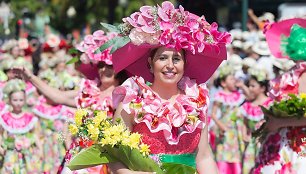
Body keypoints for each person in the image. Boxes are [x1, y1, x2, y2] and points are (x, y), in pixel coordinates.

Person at [99, 1, 231, 173]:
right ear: (150, 64)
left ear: (184, 64)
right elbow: (114, 156)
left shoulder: (196, 103)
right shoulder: (132, 102)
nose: (170, 65)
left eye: (176, 59)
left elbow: (204, 156)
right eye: (162, 58)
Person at [254, 18, 306, 173]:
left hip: (297, 145)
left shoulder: (302, 75)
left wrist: (278, 122)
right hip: (286, 142)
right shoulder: (295, 74)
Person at [0, 79, 42, 173]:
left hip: (27, 154)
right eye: (15, 100)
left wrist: (40, 149)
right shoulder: (4, 118)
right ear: (9, 100)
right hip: (10, 154)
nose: (18, 103)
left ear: (25, 100)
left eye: (21, 100)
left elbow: (35, 135)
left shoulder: (30, 118)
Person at [210, 63, 245, 174]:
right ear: (223, 83)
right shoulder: (219, 96)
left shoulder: (238, 95)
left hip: (236, 128)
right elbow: (213, 114)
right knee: (224, 151)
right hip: (224, 127)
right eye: (231, 79)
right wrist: (221, 126)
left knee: (236, 153)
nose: (234, 81)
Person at [239, 67, 272, 174]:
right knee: (249, 168)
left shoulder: (269, 104)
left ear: (262, 88)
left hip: (266, 142)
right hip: (252, 144)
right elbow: (244, 122)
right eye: (249, 85)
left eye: (253, 86)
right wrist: (244, 135)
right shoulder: (248, 106)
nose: (250, 88)